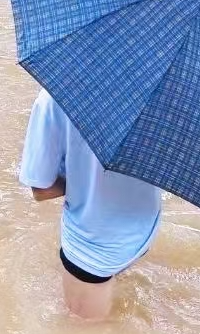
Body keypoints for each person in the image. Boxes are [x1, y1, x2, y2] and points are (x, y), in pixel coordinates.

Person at [19, 88, 162, 321]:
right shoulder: (163, 89)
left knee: (83, 333)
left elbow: (41, 189)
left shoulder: (55, 96)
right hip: (143, 231)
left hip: (92, 248)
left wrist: (82, 181)